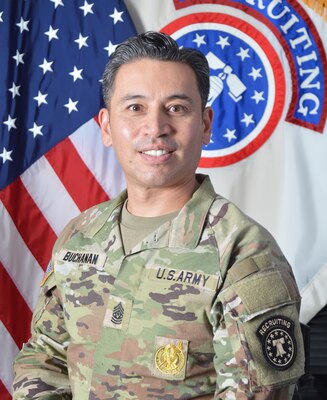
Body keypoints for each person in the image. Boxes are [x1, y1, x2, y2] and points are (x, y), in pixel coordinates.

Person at [13, 31, 305, 399]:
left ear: (205, 124)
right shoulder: (80, 235)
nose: (155, 127)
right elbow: (44, 359)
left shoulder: (245, 253)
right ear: (106, 126)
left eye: (177, 108)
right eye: (135, 108)